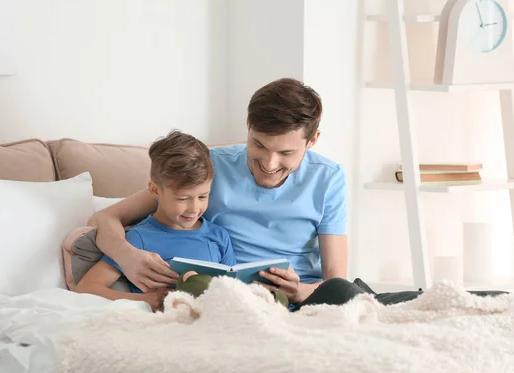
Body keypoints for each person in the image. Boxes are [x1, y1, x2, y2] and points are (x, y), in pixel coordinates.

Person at [86, 77, 371, 311]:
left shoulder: (328, 178)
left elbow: (335, 278)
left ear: (312, 141)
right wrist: (127, 257)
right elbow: (106, 217)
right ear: (248, 125)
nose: (269, 164)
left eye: (286, 153)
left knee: (353, 295)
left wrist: (300, 291)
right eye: (259, 145)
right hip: (226, 299)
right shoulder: (209, 166)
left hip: (300, 300)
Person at [75, 130, 289, 311]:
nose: (194, 208)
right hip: (169, 321)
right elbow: (86, 287)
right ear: (154, 190)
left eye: (203, 196)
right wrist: (145, 300)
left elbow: (232, 286)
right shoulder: (138, 239)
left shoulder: (218, 235)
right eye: (183, 198)